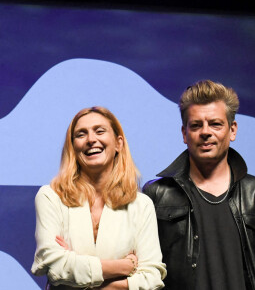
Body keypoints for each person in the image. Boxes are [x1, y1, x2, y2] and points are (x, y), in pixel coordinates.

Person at [143, 80, 255, 290]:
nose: (205, 132)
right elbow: (150, 273)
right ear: (184, 134)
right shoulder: (156, 194)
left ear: (232, 130)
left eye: (215, 124)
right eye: (196, 125)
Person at [31, 106, 166, 290]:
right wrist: (123, 267)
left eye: (100, 131)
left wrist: (79, 272)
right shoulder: (50, 197)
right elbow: (54, 266)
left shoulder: (141, 205)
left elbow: (151, 279)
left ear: (118, 143)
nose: (91, 139)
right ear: (72, 147)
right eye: (81, 134)